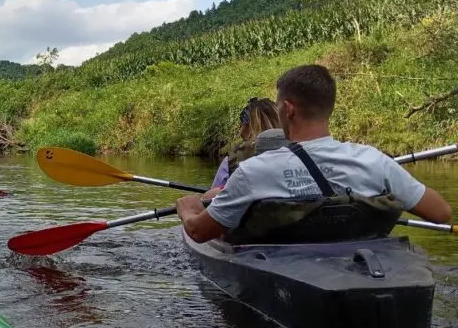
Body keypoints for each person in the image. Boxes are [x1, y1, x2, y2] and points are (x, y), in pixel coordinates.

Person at [178, 64, 452, 244]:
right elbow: (441, 213)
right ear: (329, 107)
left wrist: (190, 209)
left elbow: (199, 232)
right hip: (361, 268)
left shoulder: (254, 172)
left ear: (288, 109)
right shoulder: (374, 160)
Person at [210, 97, 282, 190]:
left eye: (241, 124)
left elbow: (212, 197)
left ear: (247, 126)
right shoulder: (297, 149)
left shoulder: (234, 157)